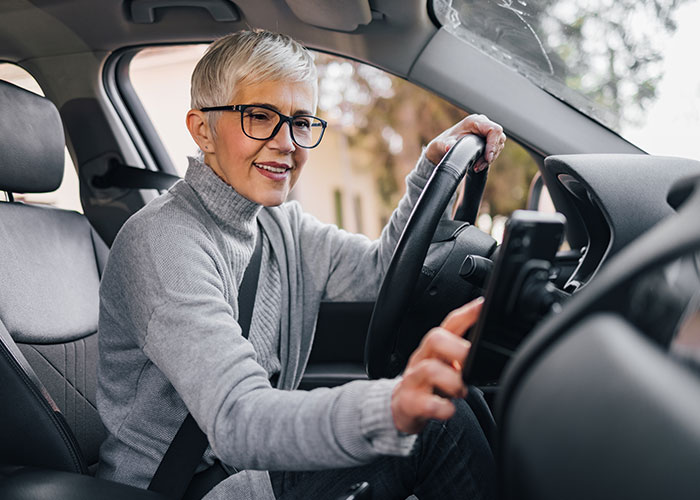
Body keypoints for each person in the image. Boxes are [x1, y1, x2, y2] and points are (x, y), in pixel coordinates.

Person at [96, 30, 506, 499]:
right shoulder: (163, 243)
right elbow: (236, 417)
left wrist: (429, 173)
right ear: (202, 130)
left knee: (458, 396)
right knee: (434, 426)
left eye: (301, 121)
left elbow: (378, 272)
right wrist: (390, 407)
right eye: (260, 117)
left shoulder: (279, 228)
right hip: (179, 489)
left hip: (243, 467)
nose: (287, 142)